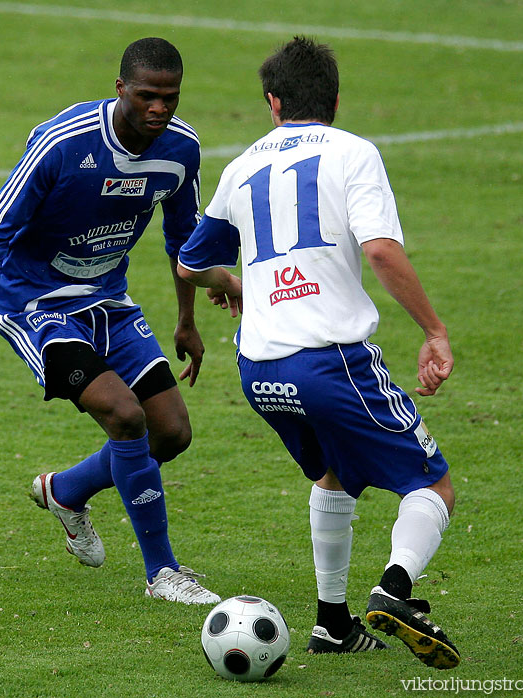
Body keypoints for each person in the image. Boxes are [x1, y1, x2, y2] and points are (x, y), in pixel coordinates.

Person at [177, 36, 460, 667]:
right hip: (329, 363)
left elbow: (189, 262)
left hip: (259, 370)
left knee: (336, 475)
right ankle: (397, 591)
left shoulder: (241, 166)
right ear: (334, 99)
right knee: (431, 485)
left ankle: (332, 622)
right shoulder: (353, 152)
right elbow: (382, 250)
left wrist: (233, 286)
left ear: (271, 102)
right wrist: (433, 330)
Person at [0, 37, 220, 605]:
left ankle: (65, 492)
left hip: (107, 300)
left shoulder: (181, 151)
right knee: (125, 415)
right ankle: (163, 573)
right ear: (120, 88)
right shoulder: (62, 143)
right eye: (147, 96)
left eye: (170, 98)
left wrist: (187, 321)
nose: (159, 109)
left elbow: (183, 242)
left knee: (170, 432)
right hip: (34, 305)